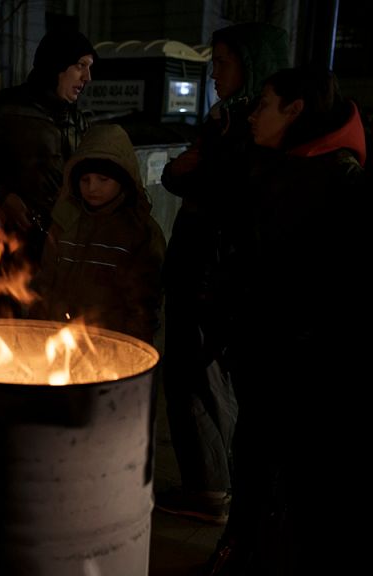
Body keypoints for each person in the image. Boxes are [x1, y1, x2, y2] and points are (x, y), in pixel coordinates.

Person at [211, 66, 366, 575]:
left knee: (292, 466)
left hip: (300, 359)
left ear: (296, 110)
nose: (254, 114)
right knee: (253, 451)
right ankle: (246, 542)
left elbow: (326, 286)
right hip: (264, 347)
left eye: (265, 104)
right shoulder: (276, 162)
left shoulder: (338, 179)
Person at [157, 23, 288, 528]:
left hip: (211, 271)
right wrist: (186, 170)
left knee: (199, 375)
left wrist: (193, 170)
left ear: (252, 65)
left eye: (225, 62)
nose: (215, 73)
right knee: (193, 374)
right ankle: (209, 481)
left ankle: (210, 487)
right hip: (198, 264)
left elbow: (207, 182)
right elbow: (177, 174)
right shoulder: (224, 120)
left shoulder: (248, 128)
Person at [0, 28, 96, 265]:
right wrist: (3, 197)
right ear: (57, 65)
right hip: (11, 249)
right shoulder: (3, 110)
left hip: (62, 245)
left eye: (89, 67)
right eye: (80, 65)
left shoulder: (78, 120)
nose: (87, 77)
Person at [30, 124, 165, 344]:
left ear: (123, 180)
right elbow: (45, 282)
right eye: (85, 180)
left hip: (111, 345)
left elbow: (143, 305)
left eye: (103, 180)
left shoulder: (139, 231)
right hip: (60, 343)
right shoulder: (66, 223)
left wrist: (132, 351)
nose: (92, 187)